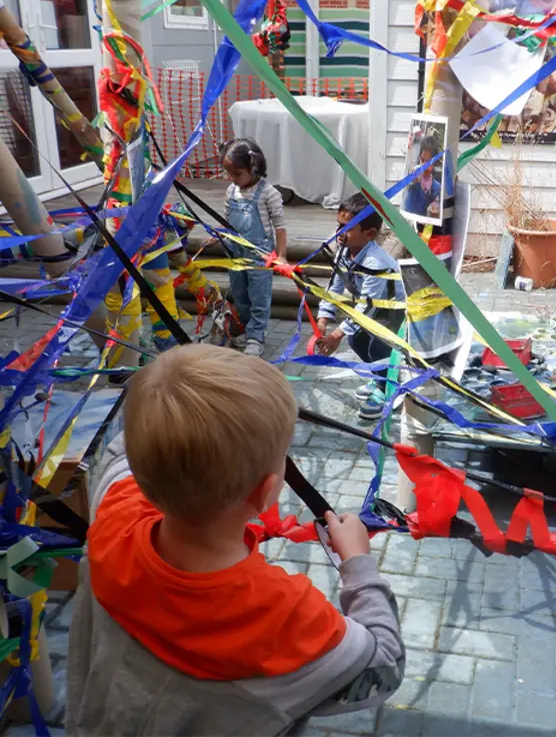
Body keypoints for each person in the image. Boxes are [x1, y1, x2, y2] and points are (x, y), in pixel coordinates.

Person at [66, 345, 405, 735]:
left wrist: (182, 395)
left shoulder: (115, 510)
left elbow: (127, 449)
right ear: (266, 492)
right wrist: (359, 565)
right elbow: (383, 664)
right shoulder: (283, 619)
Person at [316, 193, 406, 421]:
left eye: (346, 228)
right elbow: (333, 287)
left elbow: (367, 306)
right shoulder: (344, 253)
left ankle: (389, 387)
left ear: (370, 235)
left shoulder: (376, 263)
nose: (339, 232)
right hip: (370, 309)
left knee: (379, 347)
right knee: (357, 340)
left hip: (393, 311)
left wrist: (337, 335)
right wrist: (323, 319)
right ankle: (380, 377)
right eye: (339, 225)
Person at [221, 138, 287, 358]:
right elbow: (228, 220)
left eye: (237, 174)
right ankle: (247, 329)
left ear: (254, 167)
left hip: (260, 254)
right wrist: (219, 236)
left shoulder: (269, 194)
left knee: (259, 297)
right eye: (230, 174)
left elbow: (280, 227)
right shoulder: (231, 191)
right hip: (235, 252)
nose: (233, 179)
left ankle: (256, 337)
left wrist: (282, 256)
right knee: (240, 294)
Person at [403, 134, 442, 219]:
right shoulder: (415, 177)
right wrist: (414, 180)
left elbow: (435, 208)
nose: (424, 165)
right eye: (422, 160)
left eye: (428, 162)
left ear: (435, 163)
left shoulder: (436, 187)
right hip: (408, 223)